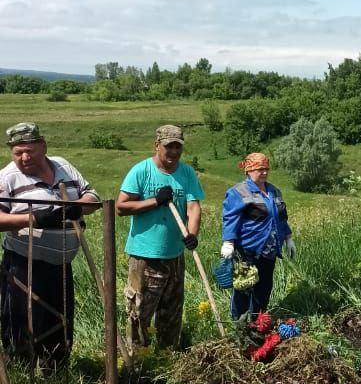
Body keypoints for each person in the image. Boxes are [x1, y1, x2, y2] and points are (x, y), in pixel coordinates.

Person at [0, 121, 100, 371]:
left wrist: (77, 206)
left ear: (42, 146)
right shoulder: (7, 178)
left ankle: (55, 374)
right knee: (21, 324)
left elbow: (92, 196)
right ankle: (22, 376)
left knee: (59, 323)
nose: (23, 157)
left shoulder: (64, 166)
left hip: (61, 265)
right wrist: (34, 218)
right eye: (17, 151)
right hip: (24, 264)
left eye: (29, 150)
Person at [116, 125, 204, 352]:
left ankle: (167, 358)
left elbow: (193, 206)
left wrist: (191, 234)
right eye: (169, 146)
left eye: (178, 147)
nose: (174, 152)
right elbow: (121, 206)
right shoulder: (141, 171)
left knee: (171, 314)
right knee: (139, 314)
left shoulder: (186, 173)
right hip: (146, 256)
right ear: (157, 145)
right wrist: (155, 201)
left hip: (175, 255)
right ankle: (137, 364)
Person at [220, 152, 295, 321]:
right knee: (244, 287)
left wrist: (288, 238)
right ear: (249, 170)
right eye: (260, 169)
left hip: (269, 250)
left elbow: (281, 217)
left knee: (264, 288)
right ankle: (239, 324)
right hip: (247, 249)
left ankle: (257, 323)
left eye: (266, 169)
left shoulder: (274, 191)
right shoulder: (237, 192)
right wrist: (228, 242)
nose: (264, 173)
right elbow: (230, 218)